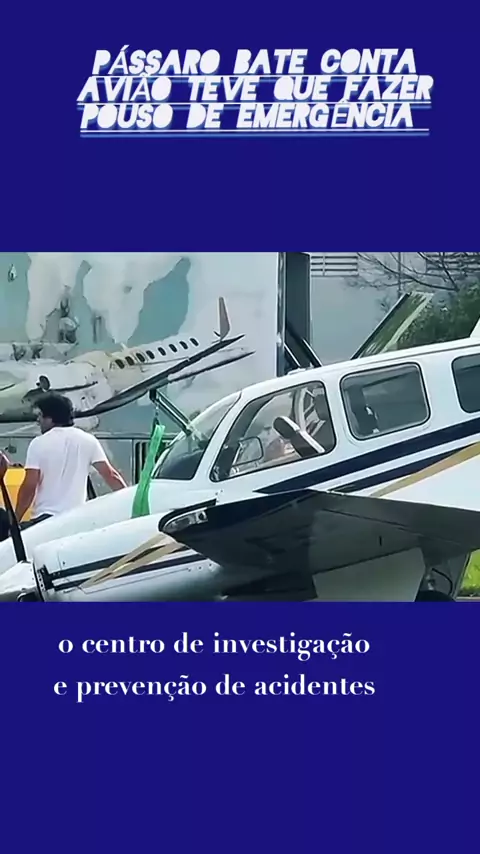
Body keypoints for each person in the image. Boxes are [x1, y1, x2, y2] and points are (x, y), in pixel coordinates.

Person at [0, 393, 128, 542]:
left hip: (45, 522)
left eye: (40, 415)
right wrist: (131, 503)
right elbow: (111, 476)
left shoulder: (39, 443)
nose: (38, 420)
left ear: (50, 418)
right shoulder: (88, 440)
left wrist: (15, 522)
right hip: (75, 520)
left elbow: (29, 487)